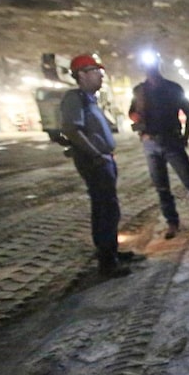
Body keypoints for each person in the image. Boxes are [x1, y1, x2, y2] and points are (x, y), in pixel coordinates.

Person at [60, 54, 142, 278]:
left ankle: (112, 252)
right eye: (96, 72)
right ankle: (107, 263)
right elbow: (71, 129)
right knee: (105, 209)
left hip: (103, 159)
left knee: (110, 208)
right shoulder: (74, 98)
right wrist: (96, 154)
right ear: (82, 75)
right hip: (94, 161)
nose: (100, 76)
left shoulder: (90, 100)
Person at [128, 53, 189, 239]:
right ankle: (172, 223)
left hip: (171, 141)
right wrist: (140, 124)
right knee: (161, 187)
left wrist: (185, 137)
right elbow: (132, 112)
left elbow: (188, 113)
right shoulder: (139, 91)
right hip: (151, 144)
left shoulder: (172, 88)